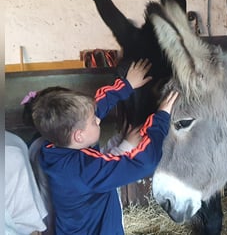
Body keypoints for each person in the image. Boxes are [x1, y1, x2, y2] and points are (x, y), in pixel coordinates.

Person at [30, 58, 178, 234]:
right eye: (94, 122)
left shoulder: (57, 144)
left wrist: (126, 85)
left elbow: (94, 108)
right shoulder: (83, 170)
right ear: (79, 136)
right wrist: (161, 117)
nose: (98, 121)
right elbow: (145, 163)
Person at [5, 131, 48, 235]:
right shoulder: (12, 151)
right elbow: (29, 226)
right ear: (78, 135)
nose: (96, 122)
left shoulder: (36, 145)